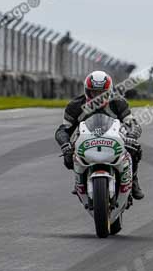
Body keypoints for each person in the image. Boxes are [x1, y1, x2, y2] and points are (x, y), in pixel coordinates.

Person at [54, 70, 145, 200]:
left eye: (102, 92)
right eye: (94, 92)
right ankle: (80, 179)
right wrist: (65, 144)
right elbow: (63, 130)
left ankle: (134, 180)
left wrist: (131, 136)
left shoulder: (118, 102)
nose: (98, 95)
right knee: (68, 158)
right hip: (86, 139)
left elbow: (132, 123)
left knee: (135, 149)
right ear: (87, 91)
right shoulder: (75, 106)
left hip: (113, 138)